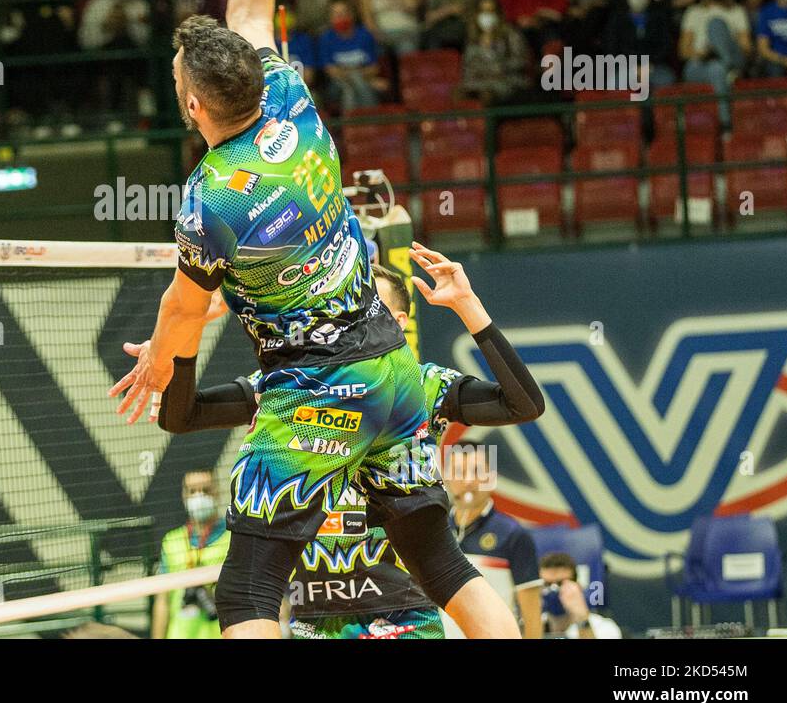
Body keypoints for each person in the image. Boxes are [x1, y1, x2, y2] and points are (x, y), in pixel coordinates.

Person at [111, 0, 515, 640]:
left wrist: (161, 357)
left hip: (313, 389)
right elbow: (252, 7)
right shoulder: (290, 97)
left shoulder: (208, 197)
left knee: (248, 594)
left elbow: (187, 314)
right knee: (439, 561)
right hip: (393, 370)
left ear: (192, 108)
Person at [151, 248, 546, 639]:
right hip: (317, 621)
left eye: (364, 310)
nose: (347, 321)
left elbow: (523, 403)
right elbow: (183, 416)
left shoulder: (425, 385)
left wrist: (467, 305)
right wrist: (189, 330)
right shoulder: (294, 389)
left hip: (401, 616)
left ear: (397, 322)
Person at [446, 439, 544, 638]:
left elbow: (532, 617)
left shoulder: (513, 535)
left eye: (477, 472)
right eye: (459, 472)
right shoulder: (433, 531)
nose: (468, 482)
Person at [151, 470, 230, 639]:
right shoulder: (171, 541)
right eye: (192, 491)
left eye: (205, 490)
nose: (199, 497)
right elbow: (162, 601)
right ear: (184, 496)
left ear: (217, 492)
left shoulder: (234, 536)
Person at [540, 552, 622, 638]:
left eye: (560, 584)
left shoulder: (604, 628)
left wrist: (582, 619)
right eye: (547, 584)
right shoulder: (529, 626)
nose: (553, 590)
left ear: (577, 586)